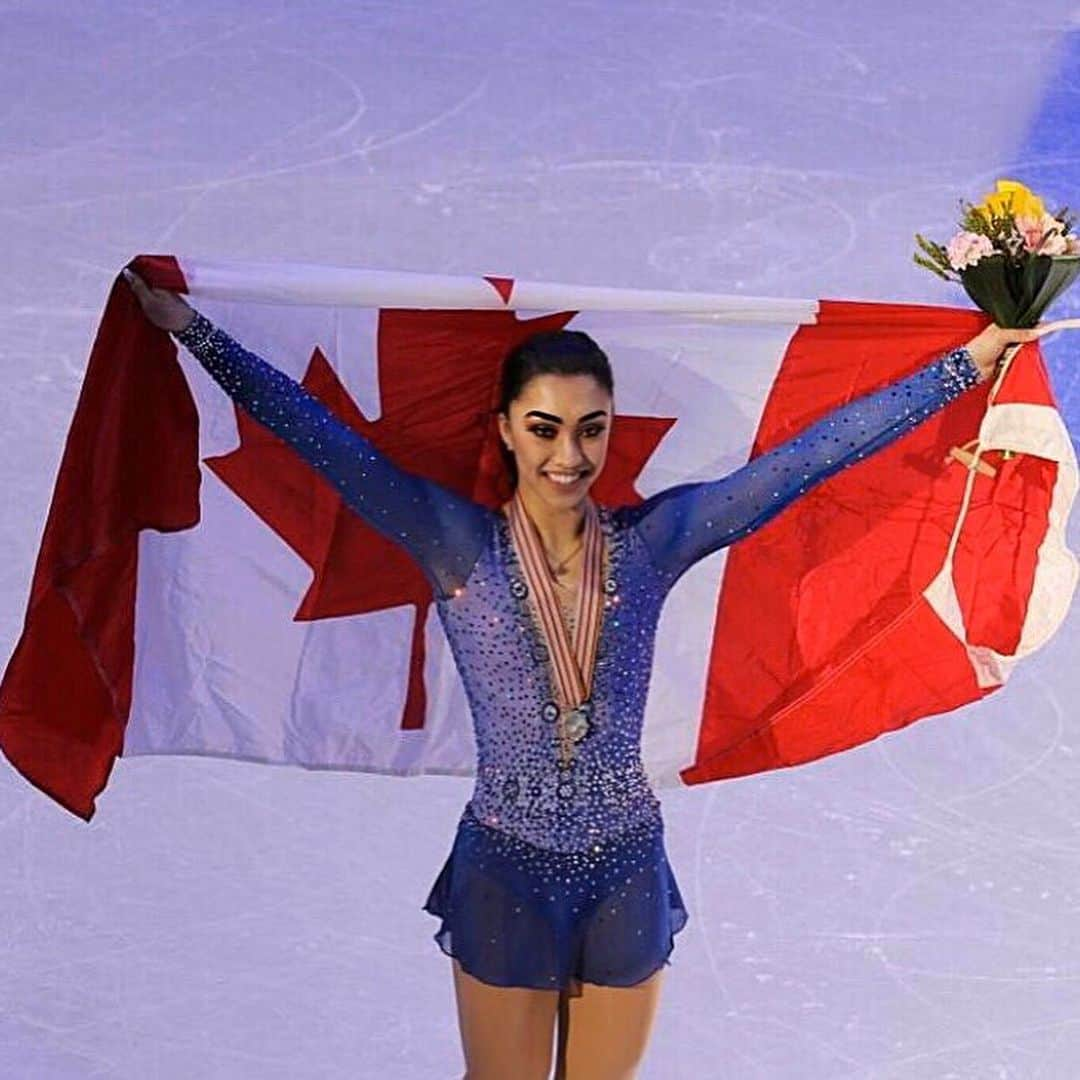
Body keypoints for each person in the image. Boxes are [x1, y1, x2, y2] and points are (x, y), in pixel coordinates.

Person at [122, 264, 1054, 1079]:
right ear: (507, 430)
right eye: (545, 429)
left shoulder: (655, 543)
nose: (569, 456)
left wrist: (966, 365)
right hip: (505, 871)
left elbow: (805, 461)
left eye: (590, 430)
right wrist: (194, 331)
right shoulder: (456, 545)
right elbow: (323, 441)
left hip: (624, 870)